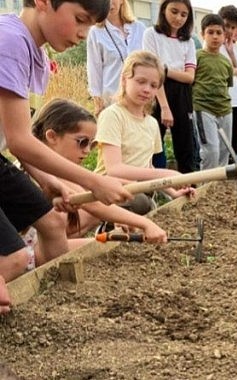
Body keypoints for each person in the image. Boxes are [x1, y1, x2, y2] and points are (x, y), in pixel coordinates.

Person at [0, 0, 132, 313]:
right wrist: (93, 182)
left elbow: (15, 135)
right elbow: (20, 141)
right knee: (15, 258)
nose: (84, 34)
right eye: (80, 19)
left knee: (52, 224)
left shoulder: (36, 56)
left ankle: (57, 307)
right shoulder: (10, 40)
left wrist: (47, 181)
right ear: (44, 3)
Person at [31, 99, 167, 256]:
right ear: (52, 136)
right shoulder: (44, 171)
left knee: (107, 236)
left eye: (92, 144)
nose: (88, 150)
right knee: (108, 242)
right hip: (32, 251)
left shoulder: (57, 169)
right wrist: (145, 223)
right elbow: (96, 205)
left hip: (46, 242)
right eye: (82, 142)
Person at [94, 50, 195, 202]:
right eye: (141, 81)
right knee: (142, 203)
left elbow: (148, 167)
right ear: (124, 80)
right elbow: (114, 169)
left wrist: (172, 193)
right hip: (111, 190)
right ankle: (107, 224)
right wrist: (165, 174)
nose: (147, 89)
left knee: (144, 201)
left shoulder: (152, 123)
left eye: (154, 85)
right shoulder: (112, 115)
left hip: (140, 191)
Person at [143, 0, 197, 173]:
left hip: (182, 94)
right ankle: (152, 188)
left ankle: (188, 187)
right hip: (157, 91)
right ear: (163, 10)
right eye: (174, 11)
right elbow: (154, 73)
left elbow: (189, 77)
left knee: (185, 145)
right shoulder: (151, 34)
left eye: (184, 14)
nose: (178, 18)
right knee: (152, 143)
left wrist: (165, 69)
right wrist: (165, 107)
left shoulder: (189, 42)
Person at [86, 0, 145, 116]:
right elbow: (94, 69)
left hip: (139, 97)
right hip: (112, 99)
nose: (110, 4)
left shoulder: (140, 28)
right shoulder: (96, 32)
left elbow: (150, 63)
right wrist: (98, 102)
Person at [192, 13, 233, 170]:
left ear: (224, 36)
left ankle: (218, 187)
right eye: (210, 32)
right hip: (203, 109)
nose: (215, 37)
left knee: (224, 151)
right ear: (202, 34)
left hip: (225, 109)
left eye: (219, 33)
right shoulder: (197, 56)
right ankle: (205, 186)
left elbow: (227, 85)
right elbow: (191, 81)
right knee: (211, 151)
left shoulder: (226, 62)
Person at [218, 5, 237, 157]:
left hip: (236, 100)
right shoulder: (214, 44)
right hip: (222, 100)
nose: (231, 30)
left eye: (234, 27)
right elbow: (222, 72)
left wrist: (231, 54)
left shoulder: (235, 48)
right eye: (227, 26)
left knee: (233, 144)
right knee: (221, 145)